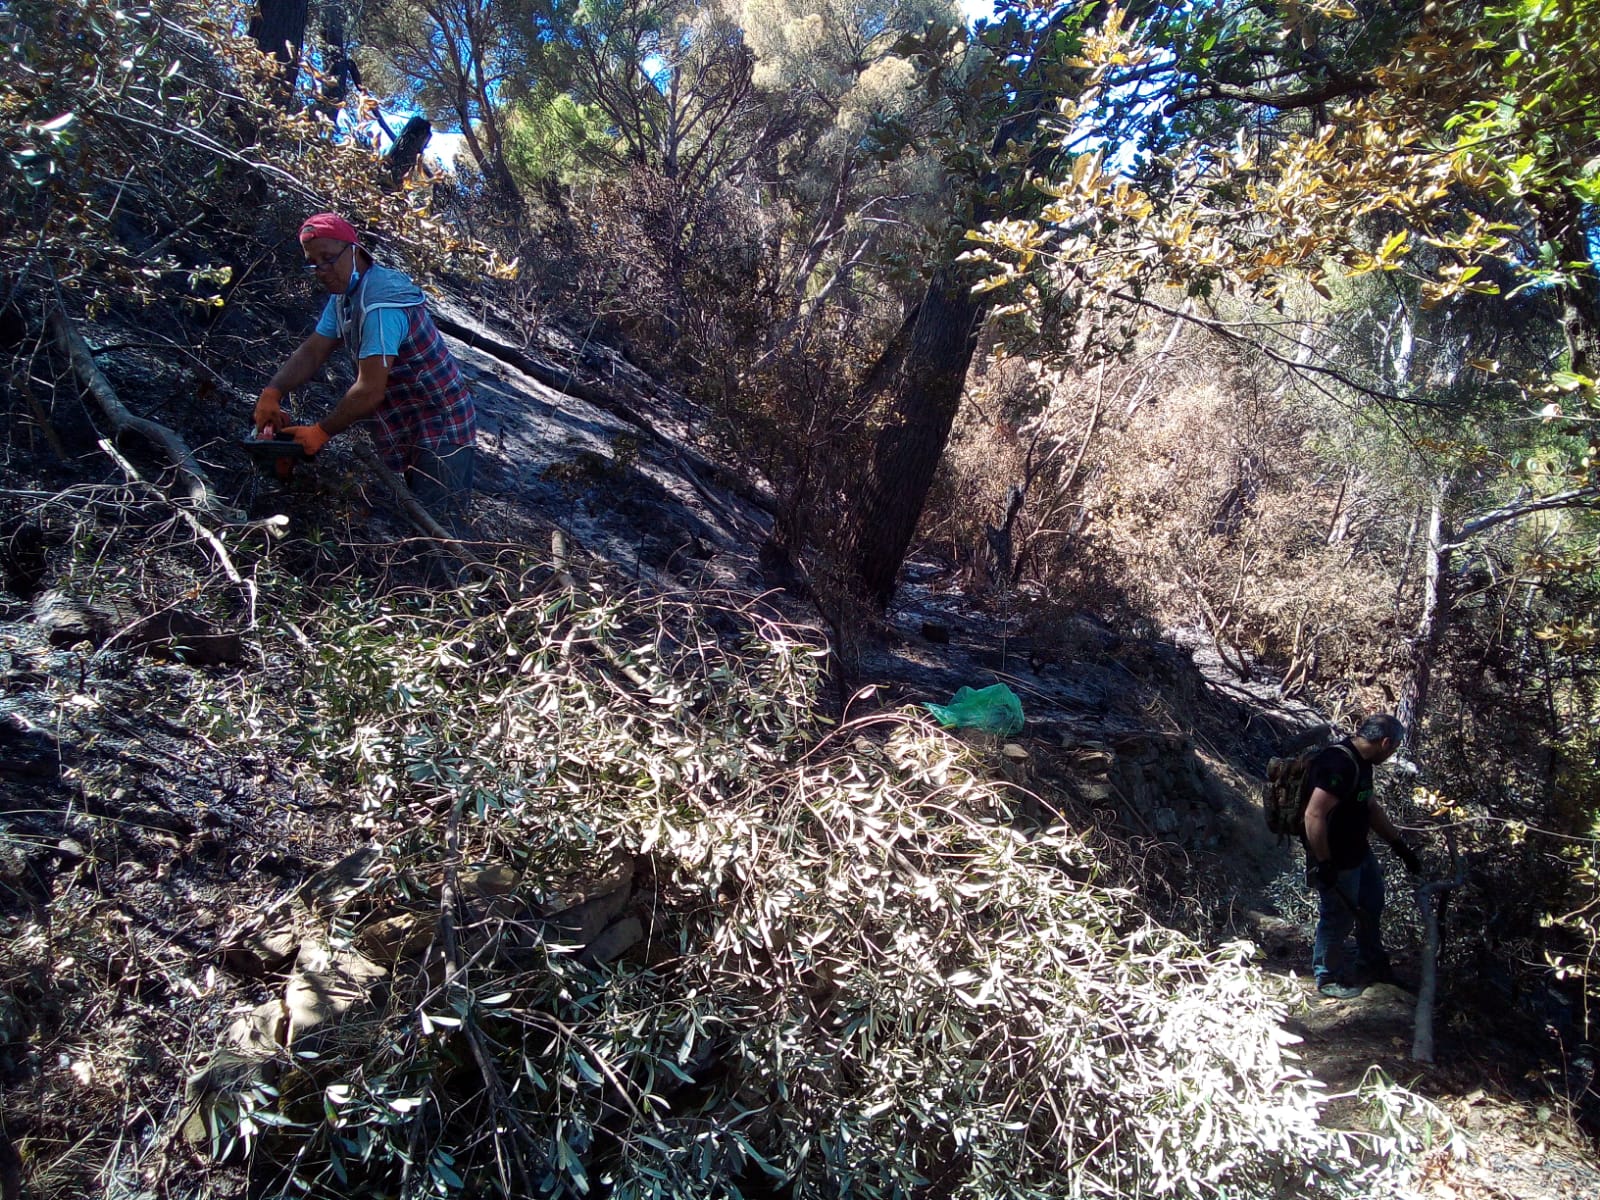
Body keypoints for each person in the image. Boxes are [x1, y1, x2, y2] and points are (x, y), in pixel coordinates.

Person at [252, 212, 476, 535]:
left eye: (328, 258)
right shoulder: (345, 295)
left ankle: (461, 584)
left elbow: (370, 391)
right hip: (410, 419)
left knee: (442, 534)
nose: (321, 270)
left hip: (443, 423)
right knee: (421, 522)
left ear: (354, 250)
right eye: (313, 263)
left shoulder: (379, 304)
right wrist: (272, 392)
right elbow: (314, 350)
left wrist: (320, 432)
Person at [1302, 713, 1424, 1000]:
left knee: (1372, 905)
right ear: (1385, 742)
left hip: (1359, 851)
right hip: (1336, 855)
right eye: (1393, 748)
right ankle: (1326, 976)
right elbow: (1313, 814)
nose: (1391, 753)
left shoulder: (1362, 763)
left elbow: (1370, 807)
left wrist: (1399, 846)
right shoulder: (1339, 763)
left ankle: (1371, 963)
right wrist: (1324, 863)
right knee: (1338, 916)